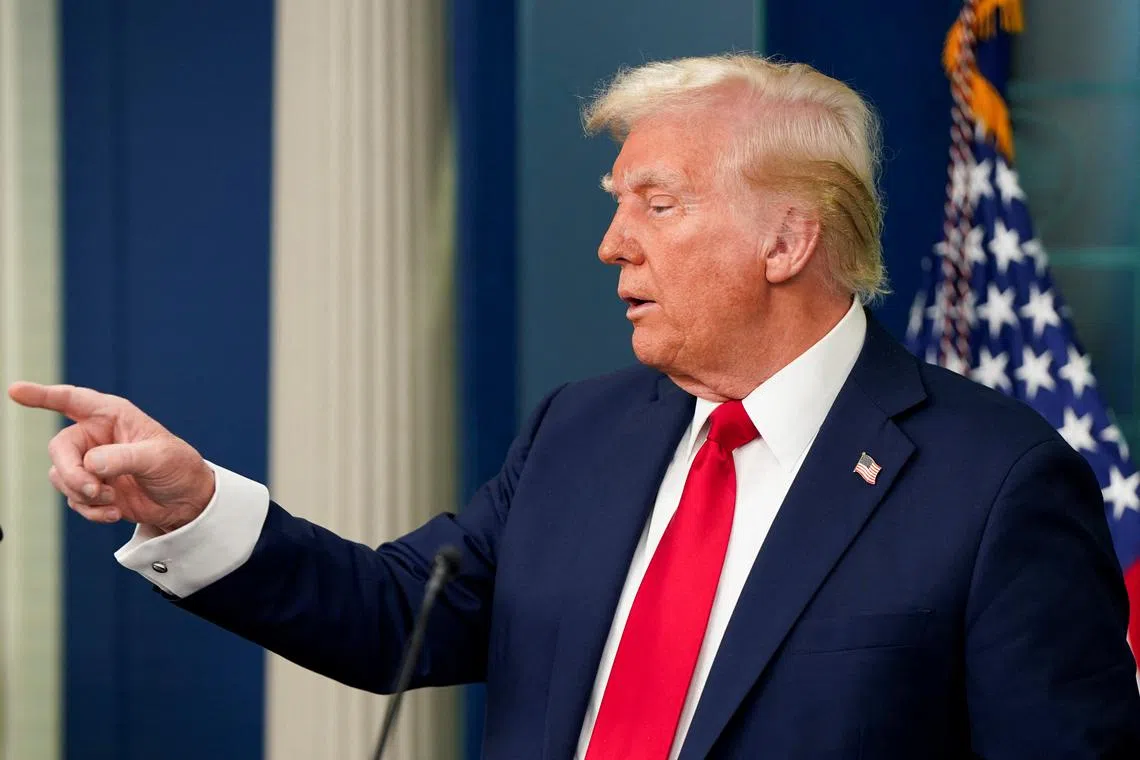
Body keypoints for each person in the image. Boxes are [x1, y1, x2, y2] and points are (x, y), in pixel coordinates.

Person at [10, 54, 1140, 759]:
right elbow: (394, 613)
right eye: (617, 205)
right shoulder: (580, 432)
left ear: (787, 239)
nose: (612, 244)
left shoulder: (994, 482)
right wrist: (192, 503)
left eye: (658, 203)